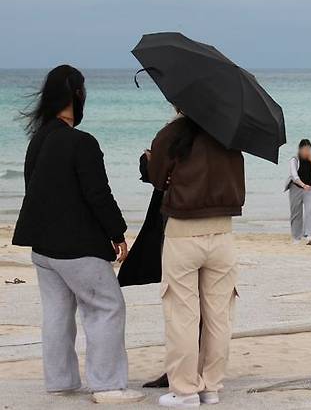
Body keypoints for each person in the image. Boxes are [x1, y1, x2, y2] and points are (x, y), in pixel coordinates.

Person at [11, 65, 144, 404]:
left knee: (56, 313)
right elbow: (97, 193)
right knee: (106, 307)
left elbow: (34, 190)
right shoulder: (81, 142)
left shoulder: (38, 140)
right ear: (77, 94)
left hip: (42, 247)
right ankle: (109, 386)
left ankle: (61, 382)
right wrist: (117, 233)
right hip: (77, 247)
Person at [147, 111, 245, 407]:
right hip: (223, 232)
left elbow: (157, 179)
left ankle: (185, 390)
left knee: (182, 315)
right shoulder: (230, 133)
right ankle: (211, 387)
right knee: (219, 316)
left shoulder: (172, 133)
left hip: (183, 232)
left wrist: (149, 159)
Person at [285, 139, 311, 245]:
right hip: (296, 188)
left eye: (309, 149)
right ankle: (296, 237)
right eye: (305, 150)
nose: (307, 152)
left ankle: (310, 235)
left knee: (310, 211)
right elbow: (294, 176)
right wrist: (302, 185)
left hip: (310, 188)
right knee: (296, 213)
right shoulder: (294, 160)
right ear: (300, 150)